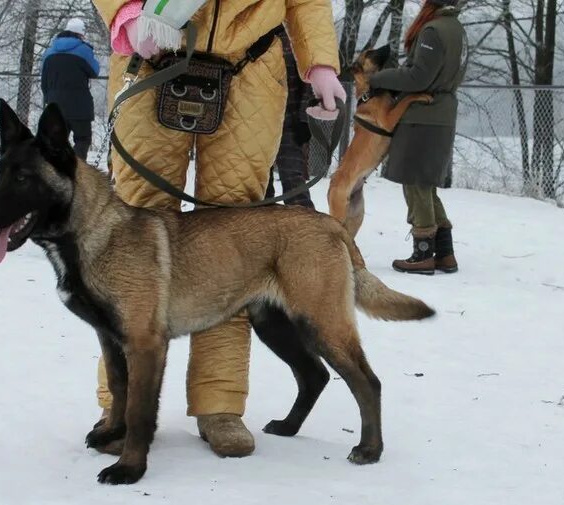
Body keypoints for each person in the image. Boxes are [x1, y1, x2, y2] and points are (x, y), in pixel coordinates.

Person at [92, 0, 345, 458]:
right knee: (132, 235)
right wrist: (124, 14)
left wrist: (321, 60)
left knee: (233, 244)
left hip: (251, 65)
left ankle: (220, 402)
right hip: (151, 53)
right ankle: (122, 405)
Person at [369, 0, 467, 275]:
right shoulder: (456, 28)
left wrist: (379, 79)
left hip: (423, 115)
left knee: (415, 183)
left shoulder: (434, 30)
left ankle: (423, 254)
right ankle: (445, 253)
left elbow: (418, 78)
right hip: (442, 114)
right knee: (426, 184)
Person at [265, 26, 315, 209]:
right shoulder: (254, 34)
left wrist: (304, 119)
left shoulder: (295, 38)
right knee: (259, 188)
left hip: (289, 124)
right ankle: (263, 232)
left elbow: (309, 81)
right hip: (258, 125)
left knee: (295, 185)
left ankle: (308, 233)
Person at [41, 18, 100, 162]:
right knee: (82, 139)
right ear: (81, 34)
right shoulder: (84, 50)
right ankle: (77, 172)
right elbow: (95, 71)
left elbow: (44, 81)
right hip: (79, 106)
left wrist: (49, 99)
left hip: (55, 106)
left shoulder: (49, 52)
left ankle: (56, 174)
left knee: (56, 143)